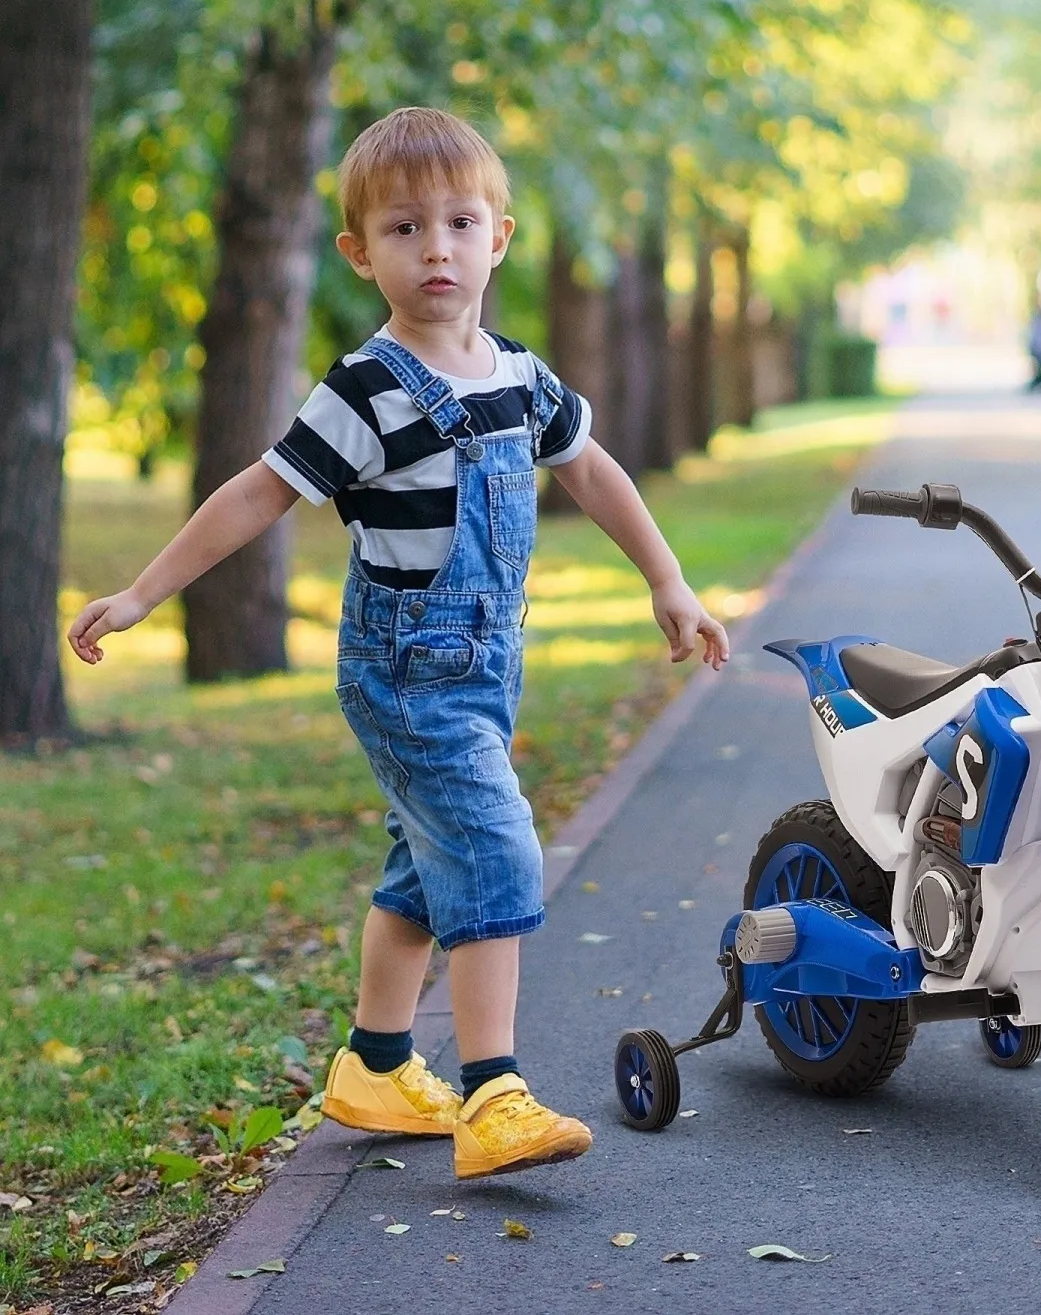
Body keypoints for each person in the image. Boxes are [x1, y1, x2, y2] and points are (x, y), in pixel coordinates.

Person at [67, 107, 730, 1179]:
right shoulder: (365, 389)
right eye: (405, 229)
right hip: (404, 667)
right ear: (359, 252)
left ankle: (376, 1065)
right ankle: (493, 1094)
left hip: (484, 668)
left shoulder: (518, 373)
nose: (436, 250)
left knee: (427, 870)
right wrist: (146, 592)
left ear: (499, 239)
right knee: (493, 845)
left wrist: (669, 580)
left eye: (460, 223)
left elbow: (593, 470)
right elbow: (259, 493)